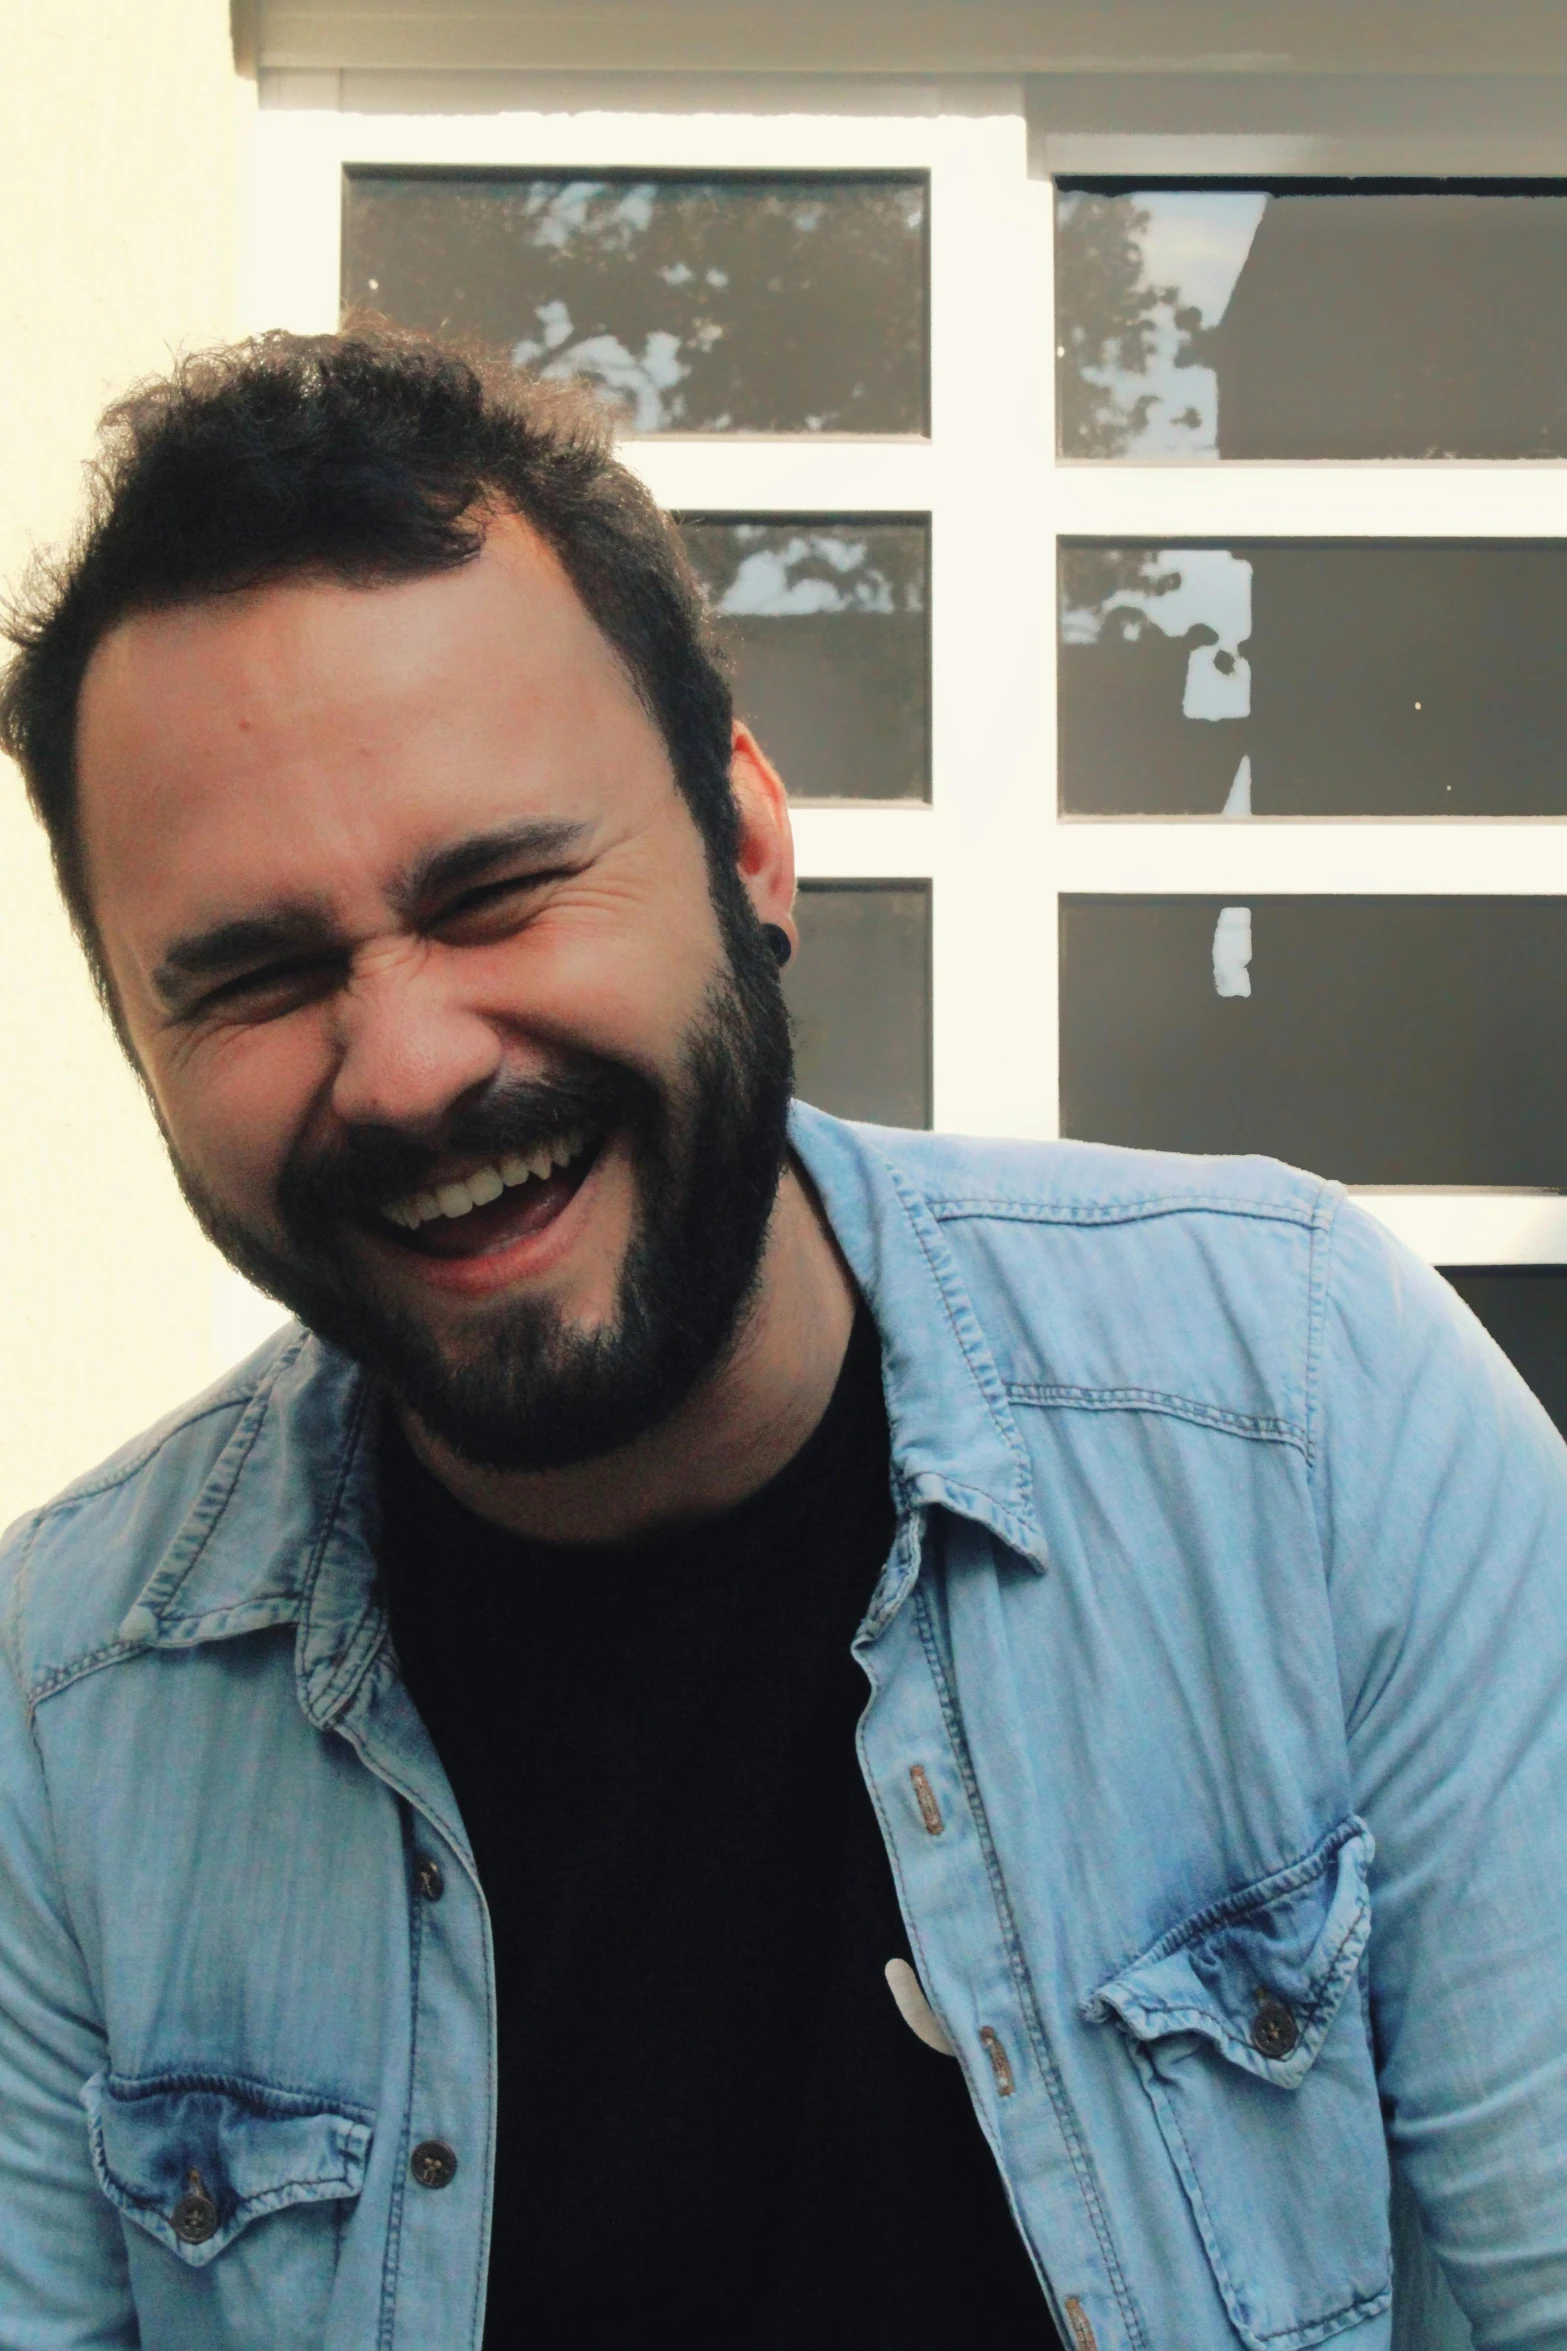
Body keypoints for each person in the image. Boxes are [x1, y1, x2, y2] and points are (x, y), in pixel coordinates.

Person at [0, 329, 1560, 2351]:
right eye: (257, 973)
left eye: (501, 889)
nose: (402, 1067)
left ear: (746, 844)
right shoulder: (70, 1719)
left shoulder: (1299, 1413)